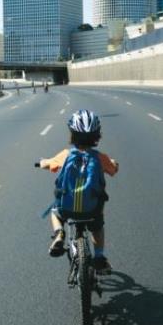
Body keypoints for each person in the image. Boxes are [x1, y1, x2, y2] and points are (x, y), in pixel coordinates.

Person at [39, 110, 119, 273]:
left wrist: (42, 162)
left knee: (55, 212)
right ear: (97, 136)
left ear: (72, 135)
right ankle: (99, 257)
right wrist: (114, 163)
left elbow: (47, 164)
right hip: (92, 210)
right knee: (97, 227)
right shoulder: (100, 158)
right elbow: (113, 170)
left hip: (66, 209)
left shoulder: (65, 155)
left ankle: (59, 233)